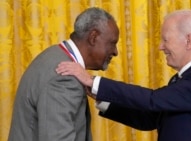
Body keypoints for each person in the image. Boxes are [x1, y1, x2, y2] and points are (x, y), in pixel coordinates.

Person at [56, 9, 191, 141]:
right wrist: (102, 99)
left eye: (165, 39)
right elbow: (149, 119)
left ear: (189, 41)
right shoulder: (184, 78)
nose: (161, 47)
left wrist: (94, 81)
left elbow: (152, 100)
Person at [8, 7, 119, 141]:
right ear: (93, 37)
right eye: (112, 43)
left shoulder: (54, 56)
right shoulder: (64, 77)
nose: (115, 52)